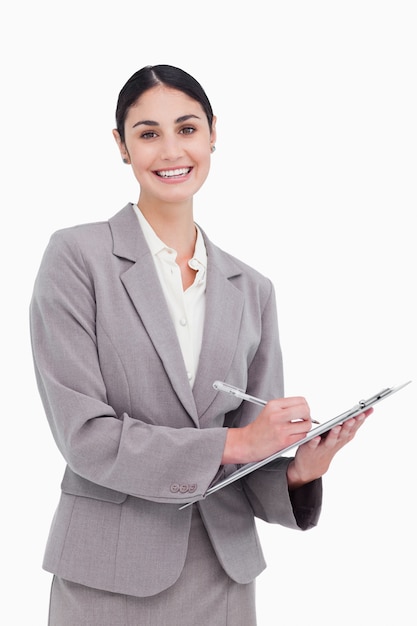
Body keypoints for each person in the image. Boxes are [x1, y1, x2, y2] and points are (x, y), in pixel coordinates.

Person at [30, 64, 372, 626]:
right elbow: (84, 438)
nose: (171, 150)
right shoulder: (76, 258)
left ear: (213, 132)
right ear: (121, 146)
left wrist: (299, 470)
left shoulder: (252, 289)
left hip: (222, 577)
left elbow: (245, 461)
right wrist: (238, 442)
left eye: (187, 129)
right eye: (147, 133)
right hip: (108, 579)